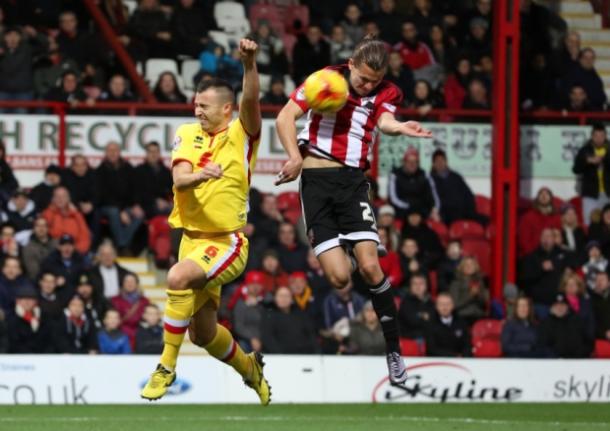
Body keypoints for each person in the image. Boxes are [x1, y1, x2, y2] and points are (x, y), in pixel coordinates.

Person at [275, 35, 433, 385]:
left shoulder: (386, 93)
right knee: (340, 277)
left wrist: (400, 128)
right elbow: (284, 117)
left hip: (352, 184)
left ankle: (393, 350)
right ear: (350, 64)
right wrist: (295, 158)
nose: (367, 86)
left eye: (374, 81)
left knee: (371, 266)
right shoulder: (324, 81)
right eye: (363, 78)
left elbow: (385, 122)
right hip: (316, 183)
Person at [141, 39, 270, 404]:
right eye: (195, 104)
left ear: (226, 109)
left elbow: (251, 101)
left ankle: (166, 366)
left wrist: (249, 65)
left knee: (177, 276)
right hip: (191, 240)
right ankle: (250, 369)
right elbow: (180, 178)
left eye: (204, 106)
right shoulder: (187, 133)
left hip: (227, 241)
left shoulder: (242, 133)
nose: (196, 111)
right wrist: (201, 175)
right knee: (203, 334)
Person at [96, 142, 145, 254]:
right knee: (114, 212)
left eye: (115, 150)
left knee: (139, 214)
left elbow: (135, 188)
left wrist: (136, 204)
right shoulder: (100, 171)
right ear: (106, 153)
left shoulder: (128, 168)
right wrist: (121, 210)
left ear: (119, 152)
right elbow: (103, 196)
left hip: (126, 206)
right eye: (110, 150)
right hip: (107, 207)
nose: (113, 153)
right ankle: (123, 246)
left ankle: (122, 243)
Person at [518, 228, 576, 319]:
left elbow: (574, 265)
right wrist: (541, 269)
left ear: (554, 239)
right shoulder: (532, 257)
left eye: (549, 236)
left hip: (561, 303)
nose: (546, 239)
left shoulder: (565, 254)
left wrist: (567, 269)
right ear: (540, 239)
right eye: (544, 236)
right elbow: (525, 278)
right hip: (540, 304)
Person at [429, 149, 483, 225]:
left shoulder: (456, 177)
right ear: (433, 164)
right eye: (437, 161)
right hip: (445, 216)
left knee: (486, 220)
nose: (440, 163)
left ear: (446, 162)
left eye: (442, 160)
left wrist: (470, 210)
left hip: (463, 213)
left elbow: (468, 195)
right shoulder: (430, 180)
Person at [261, 286, 319, 354]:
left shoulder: (301, 314)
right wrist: (281, 355)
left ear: (291, 299)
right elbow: (267, 338)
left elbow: (311, 335)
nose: (283, 299)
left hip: (303, 355)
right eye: (280, 296)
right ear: (275, 299)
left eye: (286, 296)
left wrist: (317, 352)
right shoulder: (268, 315)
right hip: (279, 356)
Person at [573, 123, 610, 225]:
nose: (599, 139)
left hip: (608, 193)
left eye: (602, 136)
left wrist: (604, 159)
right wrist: (587, 161)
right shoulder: (585, 150)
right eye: (596, 136)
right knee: (589, 223)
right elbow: (576, 169)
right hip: (590, 195)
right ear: (592, 136)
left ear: (605, 136)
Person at [388, 148, 438, 220]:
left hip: (422, 213)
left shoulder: (424, 175)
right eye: (409, 161)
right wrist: (410, 207)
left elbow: (433, 196)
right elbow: (393, 199)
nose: (412, 164)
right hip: (402, 213)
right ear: (404, 162)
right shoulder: (395, 175)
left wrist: (434, 209)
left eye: (415, 162)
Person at [538, 294, 593, 358]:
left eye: (562, 305)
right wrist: (555, 358)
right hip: (555, 362)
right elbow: (543, 345)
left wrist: (580, 355)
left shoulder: (577, 321)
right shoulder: (545, 323)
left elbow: (588, 341)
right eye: (556, 305)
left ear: (567, 307)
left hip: (578, 360)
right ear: (551, 308)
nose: (559, 308)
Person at [42, 186, 91, 255]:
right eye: (57, 196)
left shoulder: (76, 215)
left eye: (63, 196)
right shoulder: (48, 213)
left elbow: (84, 235)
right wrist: (56, 213)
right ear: (53, 199)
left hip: (76, 251)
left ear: (68, 199)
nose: (60, 199)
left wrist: (78, 251)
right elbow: (53, 234)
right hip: (56, 252)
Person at [517, 187, 561, 257]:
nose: (544, 196)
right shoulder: (528, 217)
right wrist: (534, 256)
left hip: (552, 257)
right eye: (541, 194)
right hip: (532, 256)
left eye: (546, 194)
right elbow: (524, 240)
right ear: (537, 198)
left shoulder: (556, 217)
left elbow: (558, 238)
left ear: (551, 198)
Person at [133, 141, 173, 219]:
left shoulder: (166, 172)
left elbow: (173, 190)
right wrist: (155, 201)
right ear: (146, 154)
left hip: (164, 205)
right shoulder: (138, 171)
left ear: (159, 154)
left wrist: (171, 203)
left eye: (156, 151)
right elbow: (137, 192)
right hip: (145, 206)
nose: (153, 154)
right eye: (151, 152)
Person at [425, 293, 471, 357]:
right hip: (437, 362)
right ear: (436, 306)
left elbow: (467, 345)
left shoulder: (462, 323)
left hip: (460, 362)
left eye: (448, 304)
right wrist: (453, 356)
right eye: (441, 304)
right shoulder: (430, 324)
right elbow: (431, 349)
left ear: (453, 306)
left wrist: (464, 357)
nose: (445, 307)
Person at [449, 256, 489, 325]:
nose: (469, 267)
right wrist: (470, 295)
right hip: (463, 316)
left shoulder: (480, 282)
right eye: (466, 265)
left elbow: (483, 304)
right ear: (462, 267)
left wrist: (478, 295)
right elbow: (454, 305)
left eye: (471, 264)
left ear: (475, 267)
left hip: (479, 315)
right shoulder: (456, 283)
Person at [111, 272, 150, 344]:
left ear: (137, 284)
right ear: (122, 284)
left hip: (140, 335)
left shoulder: (144, 301)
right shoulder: (114, 300)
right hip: (119, 336)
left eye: (132, 281)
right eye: (127, 281)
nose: (129, 284)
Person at [398, 273, 434, 340]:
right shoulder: (406, 302)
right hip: (411, 338)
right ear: (410, 286)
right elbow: (413, 322)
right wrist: (425, 317)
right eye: (415, 284)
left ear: (426, 286)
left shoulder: (430, 302)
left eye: (421, 283)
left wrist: (420, 316)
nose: (418, 286)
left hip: (429, 337)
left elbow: (434, 321)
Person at [591, 271, 610, 342]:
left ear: (608, 282)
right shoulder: (590, 300)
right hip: (601, 340)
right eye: (597, 280)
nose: (599, 282)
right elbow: (591, 322)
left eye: (602, 279)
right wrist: (604, 333)